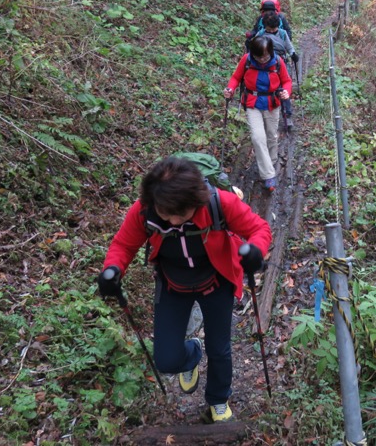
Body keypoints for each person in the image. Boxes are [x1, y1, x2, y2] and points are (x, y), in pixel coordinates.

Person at [97, 156, 271, 423]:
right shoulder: (144, 211)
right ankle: (192, 354)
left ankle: (218, 398)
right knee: (166, 359)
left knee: (220, 348)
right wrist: (113, 269)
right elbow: (123, 245)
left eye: (183, 213)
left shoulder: (219, 202)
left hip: (217, 280)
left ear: (196, 201)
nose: (175, 221)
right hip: (172, 284)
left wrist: (255, 251)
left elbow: (258, 227)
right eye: (168, 214)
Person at [224, 35, 292, 192]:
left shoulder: (278, 62)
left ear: (270, 51)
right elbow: (236, 77)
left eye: (266, 56)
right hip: (252, 102)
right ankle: (269, 175)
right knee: (257, 137)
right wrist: (230, 89)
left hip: (272, 103)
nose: (262, 60)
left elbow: (287, 81)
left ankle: (271, 159)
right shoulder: (247, 60)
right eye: (258, 56)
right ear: (252, 53)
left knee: (271, 136)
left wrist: (286, 93)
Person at [261, 13, 297, 126]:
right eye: (269, 29)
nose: (271, 31)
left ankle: (287, 114)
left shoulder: (282, 33)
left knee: (283, 88)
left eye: (273, 29)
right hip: (264, 64)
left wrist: (293, 54)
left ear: (278, 26)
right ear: (265, 26)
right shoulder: (261, 34)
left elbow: (288, 46)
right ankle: (266, 113)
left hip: (280, 64)